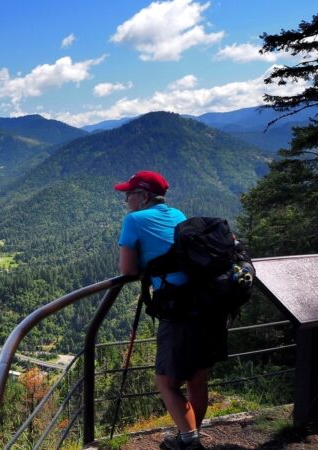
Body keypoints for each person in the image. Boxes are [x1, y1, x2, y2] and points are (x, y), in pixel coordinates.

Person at [115, 170, 218, 450]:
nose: (126, 199)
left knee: (167, 382)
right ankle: (191, 434)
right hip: (207, 302)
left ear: (144, 196)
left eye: (130, 193)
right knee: (197, 378)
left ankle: (189, 441)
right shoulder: (177, 214)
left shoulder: (133, 220)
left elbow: (127, 269)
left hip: (179, 309)